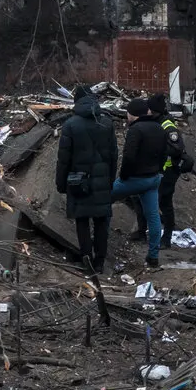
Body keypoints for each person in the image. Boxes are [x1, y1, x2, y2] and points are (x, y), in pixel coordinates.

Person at [57, 93, 118, 274]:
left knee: (82, 221)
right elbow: (114, 155)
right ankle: (100, 261)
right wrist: (110, 180)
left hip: (78, 182)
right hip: (102, 181)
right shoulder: (107, 124)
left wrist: (61, 184)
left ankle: (87, 261)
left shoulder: (70, 125)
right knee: (101, 221)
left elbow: (63, 160)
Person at [113, 95, 171, 271]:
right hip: (153, 179)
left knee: (102, 198)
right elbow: (164, 153)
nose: (127, 116)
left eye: (128, 113)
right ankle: (153, 256)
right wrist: (158, 170)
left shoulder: (135, 130)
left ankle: (98, 241)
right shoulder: (159, 128)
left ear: (134, 115)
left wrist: (123, 177)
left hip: (135, 179)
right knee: (153, 216)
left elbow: (129, 156)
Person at [153, 104, 190, 244]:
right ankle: (159, 235)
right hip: (160, 171)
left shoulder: (167, 126)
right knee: (161, 203)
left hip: (167, 172)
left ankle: (165, 237)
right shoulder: (158, 123)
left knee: (163, 203)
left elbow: (176, 149)